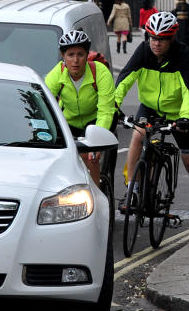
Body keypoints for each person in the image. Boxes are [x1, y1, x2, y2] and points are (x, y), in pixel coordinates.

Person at [113, 11, 189, 184]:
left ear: (171, 39)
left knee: (187, 156)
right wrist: (113, 105)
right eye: (152, 37)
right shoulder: (143, 51)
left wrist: (186, 117)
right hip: (150, 107)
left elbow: (188, 91)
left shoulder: (183, 55)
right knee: (138, 135)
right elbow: (125, 79)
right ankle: (133, 186)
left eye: (161, 39)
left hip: (179, 112)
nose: (156, 43)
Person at [45, 30, 115, 185]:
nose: (75, 60)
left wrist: (97, 141)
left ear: (87, 55)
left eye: (80, 54)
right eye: (70, 55)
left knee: (91, 157)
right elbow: (44, 106)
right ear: (63, 56)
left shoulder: (100, 72)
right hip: (70, 122)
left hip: (96, 120)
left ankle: (96, 200)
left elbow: (106, 110)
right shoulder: (57, 74)